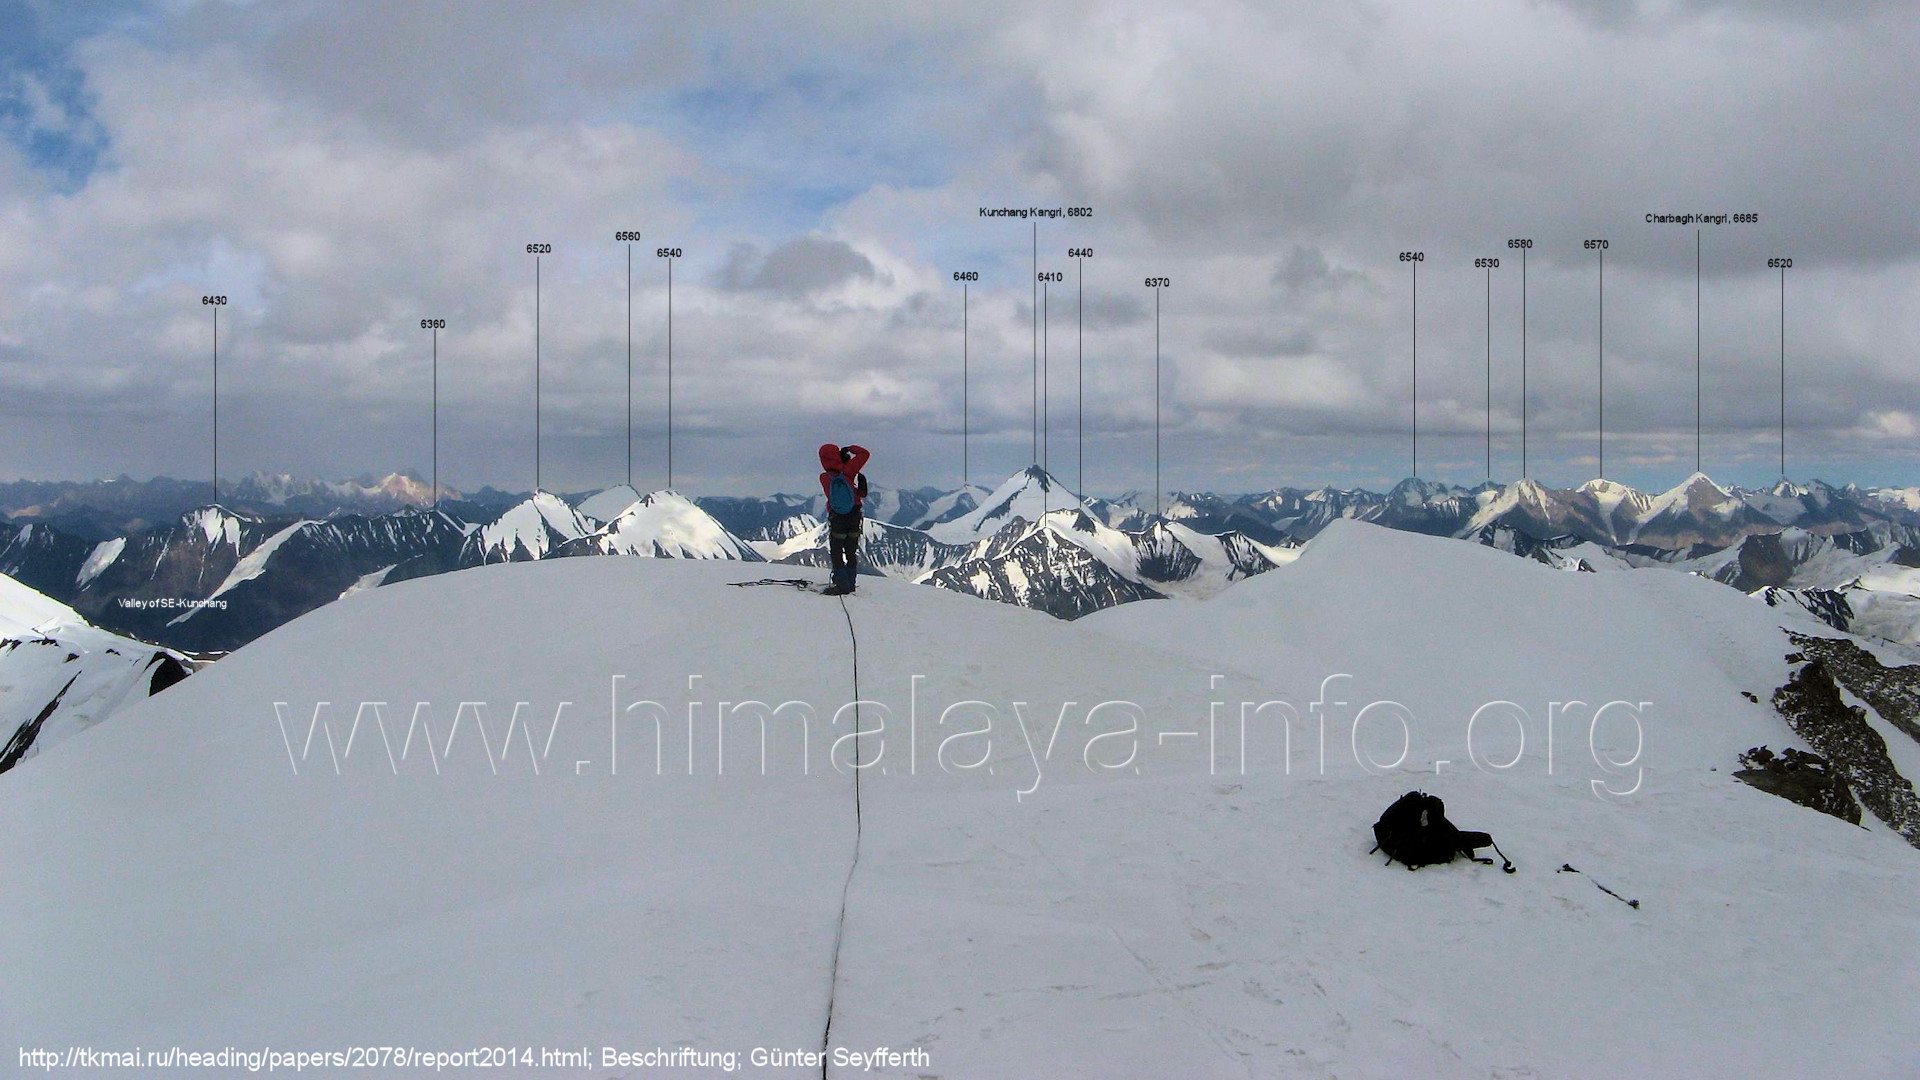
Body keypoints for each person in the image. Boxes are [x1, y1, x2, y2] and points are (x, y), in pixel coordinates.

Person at [817, 442, 870, 595]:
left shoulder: (824, 477)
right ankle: (851, 583)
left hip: (837, 517)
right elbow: (865, 454)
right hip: (854, 515)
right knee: (851, 550)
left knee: (837, 551)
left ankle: (841, 584)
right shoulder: (849, 470)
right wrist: (849, 449)